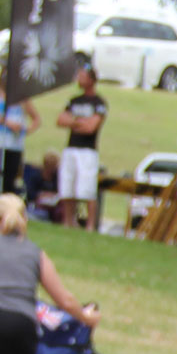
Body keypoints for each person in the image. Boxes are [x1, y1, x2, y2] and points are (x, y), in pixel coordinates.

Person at [0, 193, 97, 354]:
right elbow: (64, 299)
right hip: (20, 326)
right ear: (25, 219)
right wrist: (86, 317)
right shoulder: (35, 253)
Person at [53, 66, 104, 231]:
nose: (79, 79)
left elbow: (92, 127)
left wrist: (72, 122)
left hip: (87, 150)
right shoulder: (74, 100)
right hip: (71, 148)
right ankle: (68, 221)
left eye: (82, 76)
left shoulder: (99, 103)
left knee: (87, 188)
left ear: (91, 79)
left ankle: (90, 225)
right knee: (68, 185)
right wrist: (79, 122)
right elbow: (60, 120)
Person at [0, 77, 41, 196]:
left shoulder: (22, 98)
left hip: (15, 145)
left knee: (10, 178)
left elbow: (36, 119)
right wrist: (6, 122)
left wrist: (25, 130)